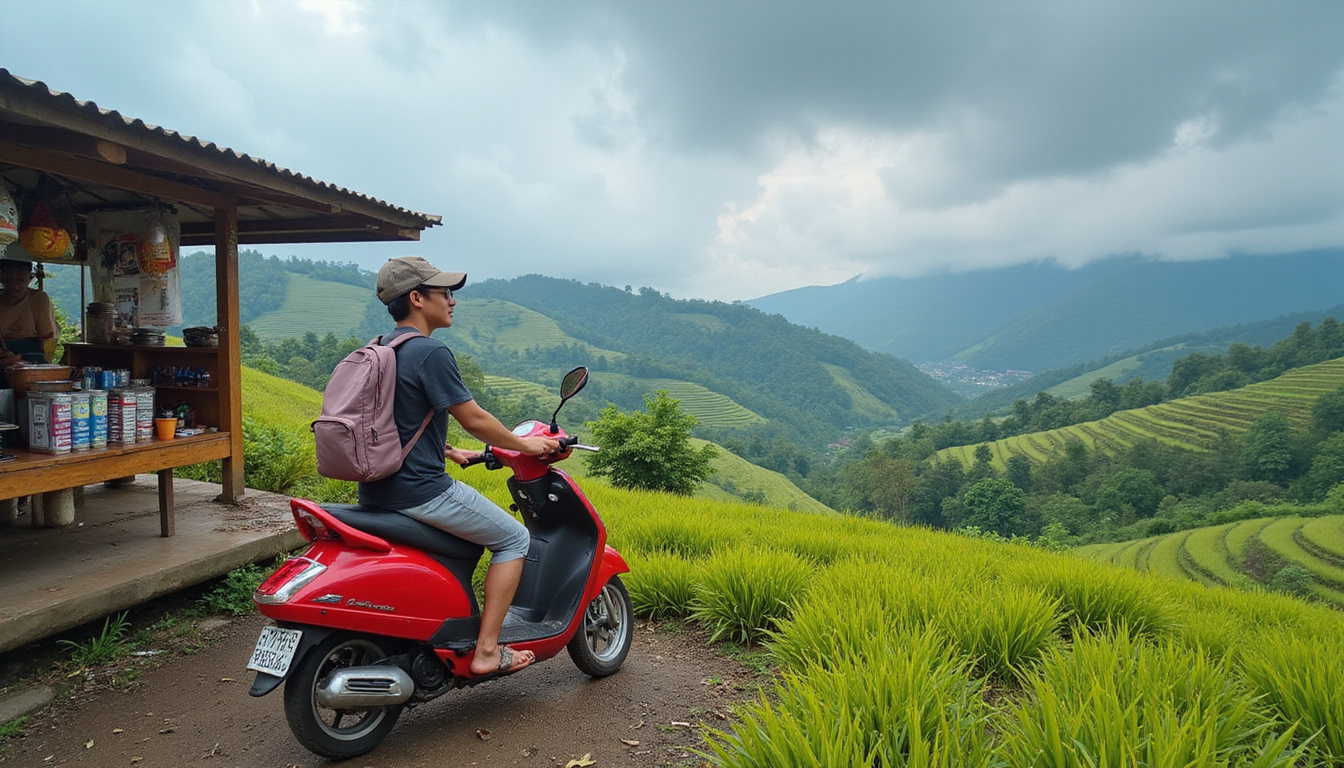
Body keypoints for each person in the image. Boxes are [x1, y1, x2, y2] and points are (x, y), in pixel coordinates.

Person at [360, 255, 560, 677]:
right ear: (417, 298)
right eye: (444, 293)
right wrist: (526, 443)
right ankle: (488, 651)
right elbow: (476, 419)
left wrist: (448, 451)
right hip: (420, 491)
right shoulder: (429, 351)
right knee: (514, 539)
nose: (452, 301)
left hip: (377, 489)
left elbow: (396, 418)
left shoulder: (381, 348)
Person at [0, 257, 58, 365]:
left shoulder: (39, 299)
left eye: (20, 278)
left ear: (30, 277)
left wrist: (23, 359)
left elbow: (48, 340)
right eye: (9, 278)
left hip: (32, 361)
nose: (15, 284)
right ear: (1, 277)